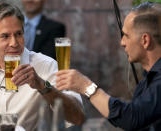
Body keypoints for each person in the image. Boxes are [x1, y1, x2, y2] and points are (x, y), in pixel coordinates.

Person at [0, 2, 84, 131]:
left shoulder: (46, 65)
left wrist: (42, 85)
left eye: (18, 34)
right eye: (5, 36)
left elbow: (78, 117)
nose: (14, 43)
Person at [56, 2, 161, 131]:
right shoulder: (148, 79)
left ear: (145, 40)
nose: (122, 43)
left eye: (126, 36)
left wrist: (86, 86)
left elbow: (131, 117)